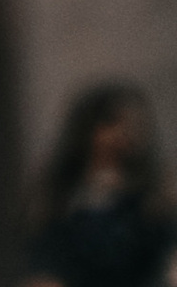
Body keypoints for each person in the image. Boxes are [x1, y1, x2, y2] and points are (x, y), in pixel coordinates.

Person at [26, 86, 177, 287]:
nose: (122, 135)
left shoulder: (149, 197)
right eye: (112, 123)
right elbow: (46, 255)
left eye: (133, 125)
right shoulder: (61, 194)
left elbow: (159, 259)